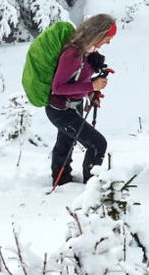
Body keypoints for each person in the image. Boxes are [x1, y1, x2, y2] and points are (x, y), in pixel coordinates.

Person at [48, 14, 116, 187]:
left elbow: (76, 81)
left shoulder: (86, 53)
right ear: (98, 35)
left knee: (66, 142)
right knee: (97, 144)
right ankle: (92, 188)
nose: (108, 43)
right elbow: (58, 88)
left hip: (74, 106)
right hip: (60, 110)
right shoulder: (72, 54)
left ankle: (62, 181)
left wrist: (90, 93)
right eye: (107, 39)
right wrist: (91, 86)